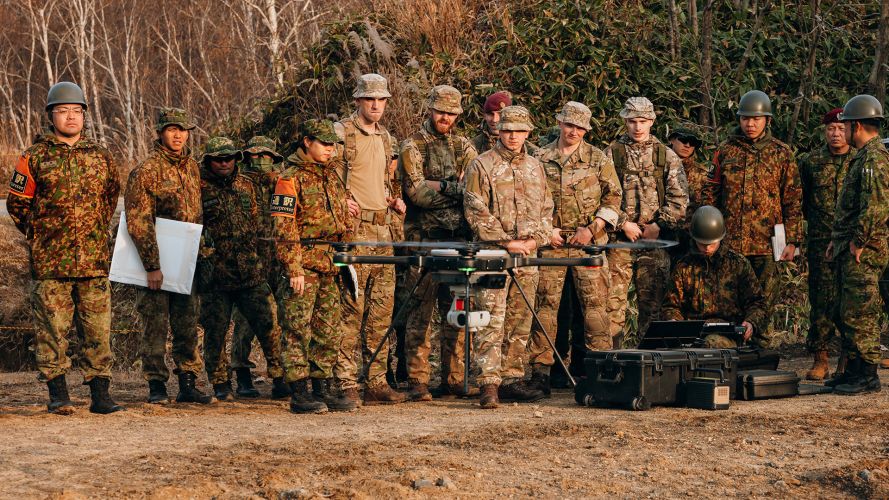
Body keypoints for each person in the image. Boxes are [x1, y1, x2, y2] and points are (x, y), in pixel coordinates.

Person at [7, 82, 123, 414]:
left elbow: (109, 199)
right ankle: (59, 394)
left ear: (84, 115)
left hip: (92, 262)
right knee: (51, 331)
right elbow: (18, 205)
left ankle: (101, 395)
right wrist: (39, 234)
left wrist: (94, 232)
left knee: (98, 331)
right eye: (63, 111)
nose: (70, 117)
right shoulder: (34, 157)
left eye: (76, 111)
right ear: (51, 115)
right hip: (50, 263)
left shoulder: (100, 156)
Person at [527, 101, 622, 395]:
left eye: (580, 127)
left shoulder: (598, 158)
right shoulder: (539, 156)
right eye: (570, 125)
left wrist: (592, 229)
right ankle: (541, 374)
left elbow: (614, 198)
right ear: (560, 123)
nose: (574, 131)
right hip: (552, 245)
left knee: (595, 311)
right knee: (545, 309)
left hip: (588, 247)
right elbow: (529, 198)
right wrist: (548, 231)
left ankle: (600, 371)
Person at [464, 105, 553, 409]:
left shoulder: (535, 166)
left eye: (519, 130)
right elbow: (475, 210)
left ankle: (512, 378)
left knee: (520, 319)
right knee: (490, 318)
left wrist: (534, 240)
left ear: (528, 132)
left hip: (527, 255)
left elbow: (546, 209)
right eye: (508, 130)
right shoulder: (482, 165)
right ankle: (489, 383)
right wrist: (506, 241)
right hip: (493, 254)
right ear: (499, 131)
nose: (513, 136)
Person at [700, 90, 803, 343]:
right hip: (731, 242)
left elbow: (792, 198)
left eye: (756, 118)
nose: (750, 124)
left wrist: (793, 241)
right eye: (746, 118)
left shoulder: (781, 153)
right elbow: (710, 193)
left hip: (768, 243)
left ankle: (761, 351)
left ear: (767, 120)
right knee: (730, 299)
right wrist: (710, 235)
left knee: (764, 300)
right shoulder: (725, 151)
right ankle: (729, 351)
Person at [124, 107, 212, 405]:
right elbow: (138, 220)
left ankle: (188, 383)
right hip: (156, 261)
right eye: (173, 129)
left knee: (188, 323)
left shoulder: (191, 167)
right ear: (160, 132)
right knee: (156, 324)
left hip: (186, 259)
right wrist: (152, 265)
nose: (178, 135)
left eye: (183, 130)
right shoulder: (147, 170)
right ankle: (157, 386)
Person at [272, 120, 357, 413]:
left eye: (333, 144)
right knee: (297, 327)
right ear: (307, 142)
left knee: (328, 327)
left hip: (330, 263)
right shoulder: (289, 178)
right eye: (324, 144)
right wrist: (293, 268)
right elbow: (283, 226)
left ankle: (323, 386)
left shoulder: (331, 176)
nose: (330, 149)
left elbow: (342, 215)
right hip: (304, 262)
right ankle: (300, 390)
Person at [399, 85, 478, 401]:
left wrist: (441, 187)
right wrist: (453, 189)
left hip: (458, 241)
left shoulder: (464, 145)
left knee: (456, 311)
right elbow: (415, 193)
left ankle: (454, 378)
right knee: (420, 312)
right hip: (424, 242)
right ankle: (418, 380)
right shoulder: (412, 145)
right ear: (430, 109)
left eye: (451, 113)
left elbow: (473, 190)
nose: (445, 117)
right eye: (441, 111)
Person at [332, 74, 407, 406]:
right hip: (355, 230)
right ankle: (346, 381)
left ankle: (376, 380)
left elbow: (383, 178)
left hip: (383, 231)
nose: (376, 105)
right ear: (358, 100)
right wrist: (339, 199)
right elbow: (322, 173)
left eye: (381, 100)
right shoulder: (342, 133)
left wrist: (393, 200)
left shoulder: (387, 137)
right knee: (351, 310)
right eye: (369, 99)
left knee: (381, 313)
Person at [196, 136, 288, 402]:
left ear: (237, 159)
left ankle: (280, 377)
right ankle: (221, 383)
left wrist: (263, 260)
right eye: (218, 159)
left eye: (229, 158)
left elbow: (259, 225)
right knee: (216, 330)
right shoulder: (198, 187)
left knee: (269, 324)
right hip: (215, 275)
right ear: (209, 161)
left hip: (250, 272)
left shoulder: (246, 185)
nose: (224, 163)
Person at [605, 97, 688, 348]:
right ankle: (613, 360)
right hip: (620, 241)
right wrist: (622, 223)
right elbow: (601, 196)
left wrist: (658, 225)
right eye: (632, 121)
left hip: (654, 241)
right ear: (625, 122)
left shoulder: (666, 156)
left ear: (651, 121)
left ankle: (648, 363)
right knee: (612, 307)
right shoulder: (612, 153)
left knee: (652, 308)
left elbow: (680, 198)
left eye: (642, 121)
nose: (637, 127)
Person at [825, 94, 889, 395]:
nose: (843, 130)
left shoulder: (874, 158)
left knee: (861, 310)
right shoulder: (862, 157)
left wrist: (860, 241)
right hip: (848, 246)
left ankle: (867, 374)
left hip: (865, 250)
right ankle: (852, 370)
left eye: (846, 125)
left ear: (857, 125)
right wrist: (837, 242)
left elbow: (877, 205)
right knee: (846, 309)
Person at [798, 109, 856, 380]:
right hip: (820, 241)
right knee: (821, 300)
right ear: (824, 131)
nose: (836, 134)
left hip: (851, 243)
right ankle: (820, 358)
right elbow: (803, 202)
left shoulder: (859, 160)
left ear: (851, 130)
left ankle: (847, 358)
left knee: (849, 300)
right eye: (831, 128)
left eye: (841, 128)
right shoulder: (811, 162)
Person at [229, 135, 289, 398]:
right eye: (253, 156)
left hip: (280, 259)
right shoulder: (238, 185)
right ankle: (241, 372)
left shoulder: (283, 183)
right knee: (245, 322)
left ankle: (281, 375)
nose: (259, 162)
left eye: (264, 156)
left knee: (284, 321)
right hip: (250, 260)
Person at [662, 206, 768, 348]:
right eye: (702, 244)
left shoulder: (738, 264)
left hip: (727, 334)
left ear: (720, 238)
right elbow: (671, 305)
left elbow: (757, 303)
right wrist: (673, 321)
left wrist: (750, 323)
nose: (706, 248)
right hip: (692, 334)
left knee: (712, 344)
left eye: (711, 244)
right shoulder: (684, 266)